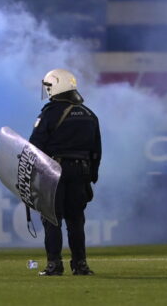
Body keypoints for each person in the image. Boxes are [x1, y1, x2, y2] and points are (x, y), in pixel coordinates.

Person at [29, 68, 102, 276]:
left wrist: (33, 176)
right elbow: (96, 151)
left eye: (49, 87)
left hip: (54, 172)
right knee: (76, 220)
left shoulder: (49, 113)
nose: (48, 91)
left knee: (52, 219)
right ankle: (80, 265)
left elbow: (35, 146)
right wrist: (91, 176)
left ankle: (54, 265)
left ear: (57, 86)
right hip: (81, 172)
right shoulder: (89, 115)